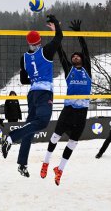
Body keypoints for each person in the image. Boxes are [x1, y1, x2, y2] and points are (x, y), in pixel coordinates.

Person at [1, 15, 63, 177]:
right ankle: (11, 137)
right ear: (40, 41)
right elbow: (59, 37)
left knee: (30, 127)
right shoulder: (46, 51)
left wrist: (35, 79)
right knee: (42, 122)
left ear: (28, 43)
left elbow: (22, 79)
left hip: (33, 93)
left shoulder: (24, 58)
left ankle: (22, 164)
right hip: (43, 93)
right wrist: (55, 23)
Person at [40, 20, 91, 186]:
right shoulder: (69, 70)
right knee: (55, 136)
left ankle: (59, 169)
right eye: (73, 56)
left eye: (77, 56)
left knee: (73, 142)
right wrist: (57, 30)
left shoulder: (87, 70)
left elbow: (86, 50)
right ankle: (46, 162)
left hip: (82, 111)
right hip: (68, 109)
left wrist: (79, 33)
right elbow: (59, 50)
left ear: (82, 59)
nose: (75, 56)